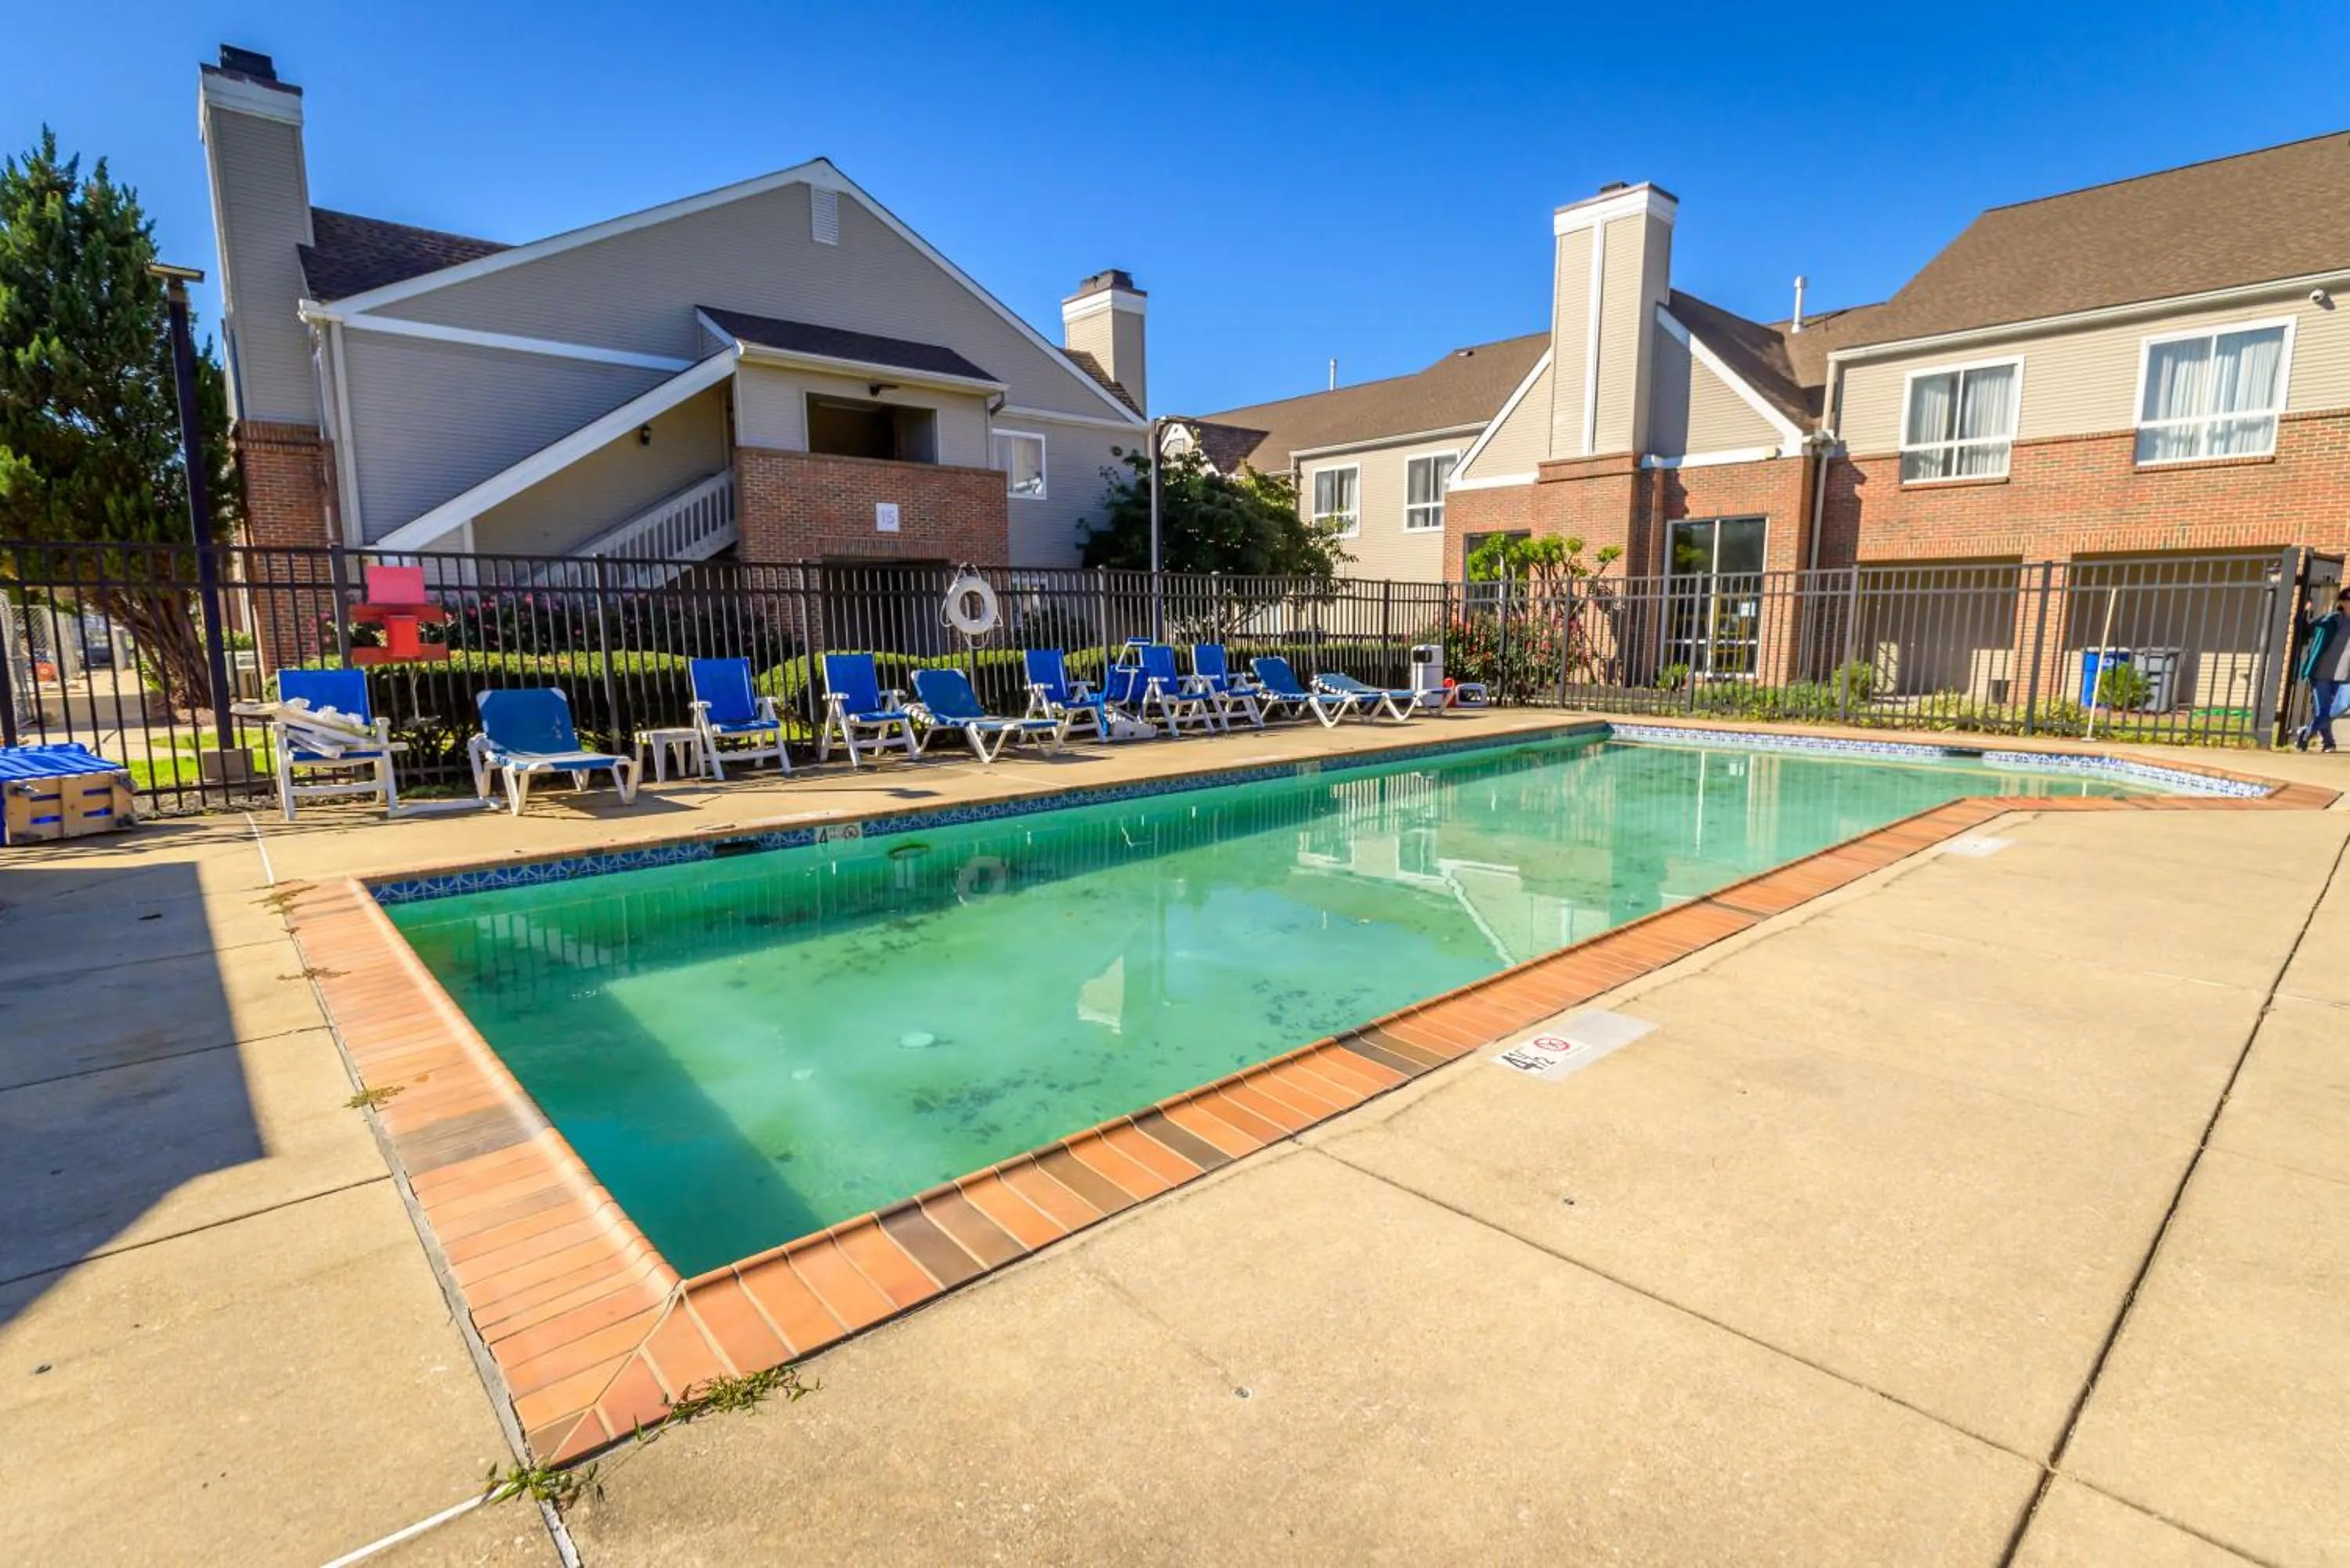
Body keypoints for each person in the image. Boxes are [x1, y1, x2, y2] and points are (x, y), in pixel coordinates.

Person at [2298, 586, 2350, 753]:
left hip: (2346, 674)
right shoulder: (2332, 619)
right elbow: (2307, 630)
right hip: (2322, 673)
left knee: (2343, 704)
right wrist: (2306, 612)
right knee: (2323, 710)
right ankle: (2328, 742)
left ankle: (2306, 732)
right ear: (2342, 602)